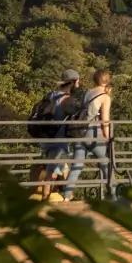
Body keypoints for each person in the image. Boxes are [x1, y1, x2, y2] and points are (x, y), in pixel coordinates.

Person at [61, 70, 113, 200]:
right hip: (94, 132)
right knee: (105, 163)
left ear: (95, 80)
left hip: (80, 130)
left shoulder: (88, 93)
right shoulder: (105, 97)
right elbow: (105, 120)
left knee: (77, 165)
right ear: (107, 80)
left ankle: (66, 195)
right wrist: (108, 138)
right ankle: (113, 194)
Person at [31, 70, 77, 201]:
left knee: (64, 168)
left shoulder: (51, 95)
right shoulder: (66, 99)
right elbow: (78, 115)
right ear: (74, 82)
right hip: (59, 142)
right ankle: (46, 199)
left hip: (46, 139)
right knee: (52, 173)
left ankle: (69, 196)